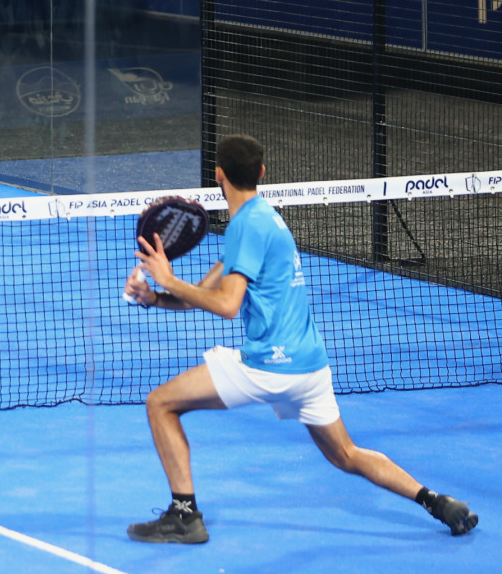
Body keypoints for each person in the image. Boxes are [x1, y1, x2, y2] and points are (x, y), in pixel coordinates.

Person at [123, 134, 479, 544]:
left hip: (269, 367)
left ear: (217, 174)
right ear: (261, 173)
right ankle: (435, 500)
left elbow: (226, 305)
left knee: (160, 403)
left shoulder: (244, 228)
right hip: (310, 368)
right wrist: (155, 296)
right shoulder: (265, 218)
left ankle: (183, 517)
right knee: (346, 454)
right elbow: (200, 295)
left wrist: (167, 277)